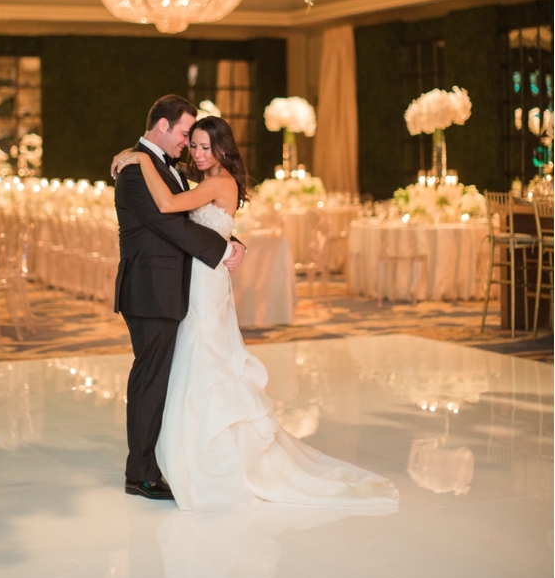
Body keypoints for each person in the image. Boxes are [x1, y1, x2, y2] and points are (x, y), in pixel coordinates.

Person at [113, 114, 399, 513]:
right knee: (189, 366)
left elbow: (169, 208)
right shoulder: (199, 177)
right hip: (188, 282)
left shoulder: (210, 179)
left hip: (201, 283)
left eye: (203, 146)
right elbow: (188, 222)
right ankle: (175, 458)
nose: (194, 152)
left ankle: (210, 460)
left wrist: (139, 159)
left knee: (204, 362)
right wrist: (231, 242)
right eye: (190, 143)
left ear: (222, 149)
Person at [112, 95, 246, 501]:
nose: (189, 145)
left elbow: (191, 216)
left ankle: (165, 460)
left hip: (170, 289)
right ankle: (141, 473)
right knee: (150, 379)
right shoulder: (138, 170)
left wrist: (230, 238)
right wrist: (223, 250)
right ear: (163, 127)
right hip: (151, 290)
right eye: (186, 135)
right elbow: (171, 225)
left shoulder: (156, 166)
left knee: (168, 377)